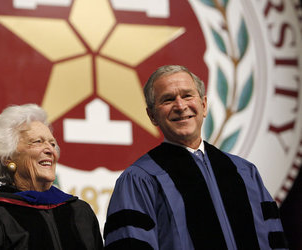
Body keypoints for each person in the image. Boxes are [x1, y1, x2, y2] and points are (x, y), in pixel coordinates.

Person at [104, 65, 288, 250]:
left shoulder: (244, 172)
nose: (180, 106)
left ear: (204, 105)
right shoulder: (139, 180)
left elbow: (275, 242)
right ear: (152, 116)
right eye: (168, 99)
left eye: (187, 96)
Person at [0, 104, 103, 249]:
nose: (50, 150)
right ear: (7, 157)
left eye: (53, 144)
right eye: (38, 142)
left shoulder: (79, 213)